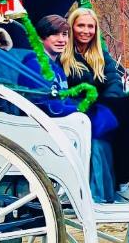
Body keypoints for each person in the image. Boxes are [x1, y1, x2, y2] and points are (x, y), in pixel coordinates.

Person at [21, 15, 117, 203]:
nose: (61, 40)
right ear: (41, 37)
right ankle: (95, 194)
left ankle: (103, 192)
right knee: (97, 128)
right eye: (54, 35)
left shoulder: (55, 66)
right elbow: (43, 102)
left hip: (59, 121)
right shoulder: (35, 63)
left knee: (103, 131)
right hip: (45, 127)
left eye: (65, 35)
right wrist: (79, 111)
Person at [63, 6, 126, 101]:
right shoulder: (61, 54)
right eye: (81, 25)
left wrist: (107, 103)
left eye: (90, 26)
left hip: (99, 110)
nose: (86, 31)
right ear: (71, 27)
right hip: (71, 111)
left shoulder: (102, 55)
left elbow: (114, 81)